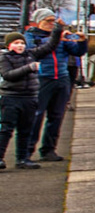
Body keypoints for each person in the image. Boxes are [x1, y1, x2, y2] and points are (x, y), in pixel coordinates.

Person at [25, 13, 85, 162]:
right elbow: (38, 52)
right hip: (42, 78)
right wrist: (57, 36)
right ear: (39, 22)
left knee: (57, 115)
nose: (52, 24)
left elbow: (77, 51)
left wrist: (82, 41)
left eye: (54, 21)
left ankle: (49, 149)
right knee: (36, 115)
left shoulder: (60, 38)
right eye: (48, 21)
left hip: (61, 78)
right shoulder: (31, 37)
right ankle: (26, 151)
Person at [1, 32, 55, 170]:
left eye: (22, 43)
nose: (20, 46)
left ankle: (22, 159)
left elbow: (49, 46)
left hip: (30, 98)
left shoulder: (31, 55)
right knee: (6, 129)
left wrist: (58, 30)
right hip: (11, 97)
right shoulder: (4, 58)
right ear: (9, 45)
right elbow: (8, 75)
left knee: (26, 130)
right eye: (16, 43)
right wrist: (28, 68)